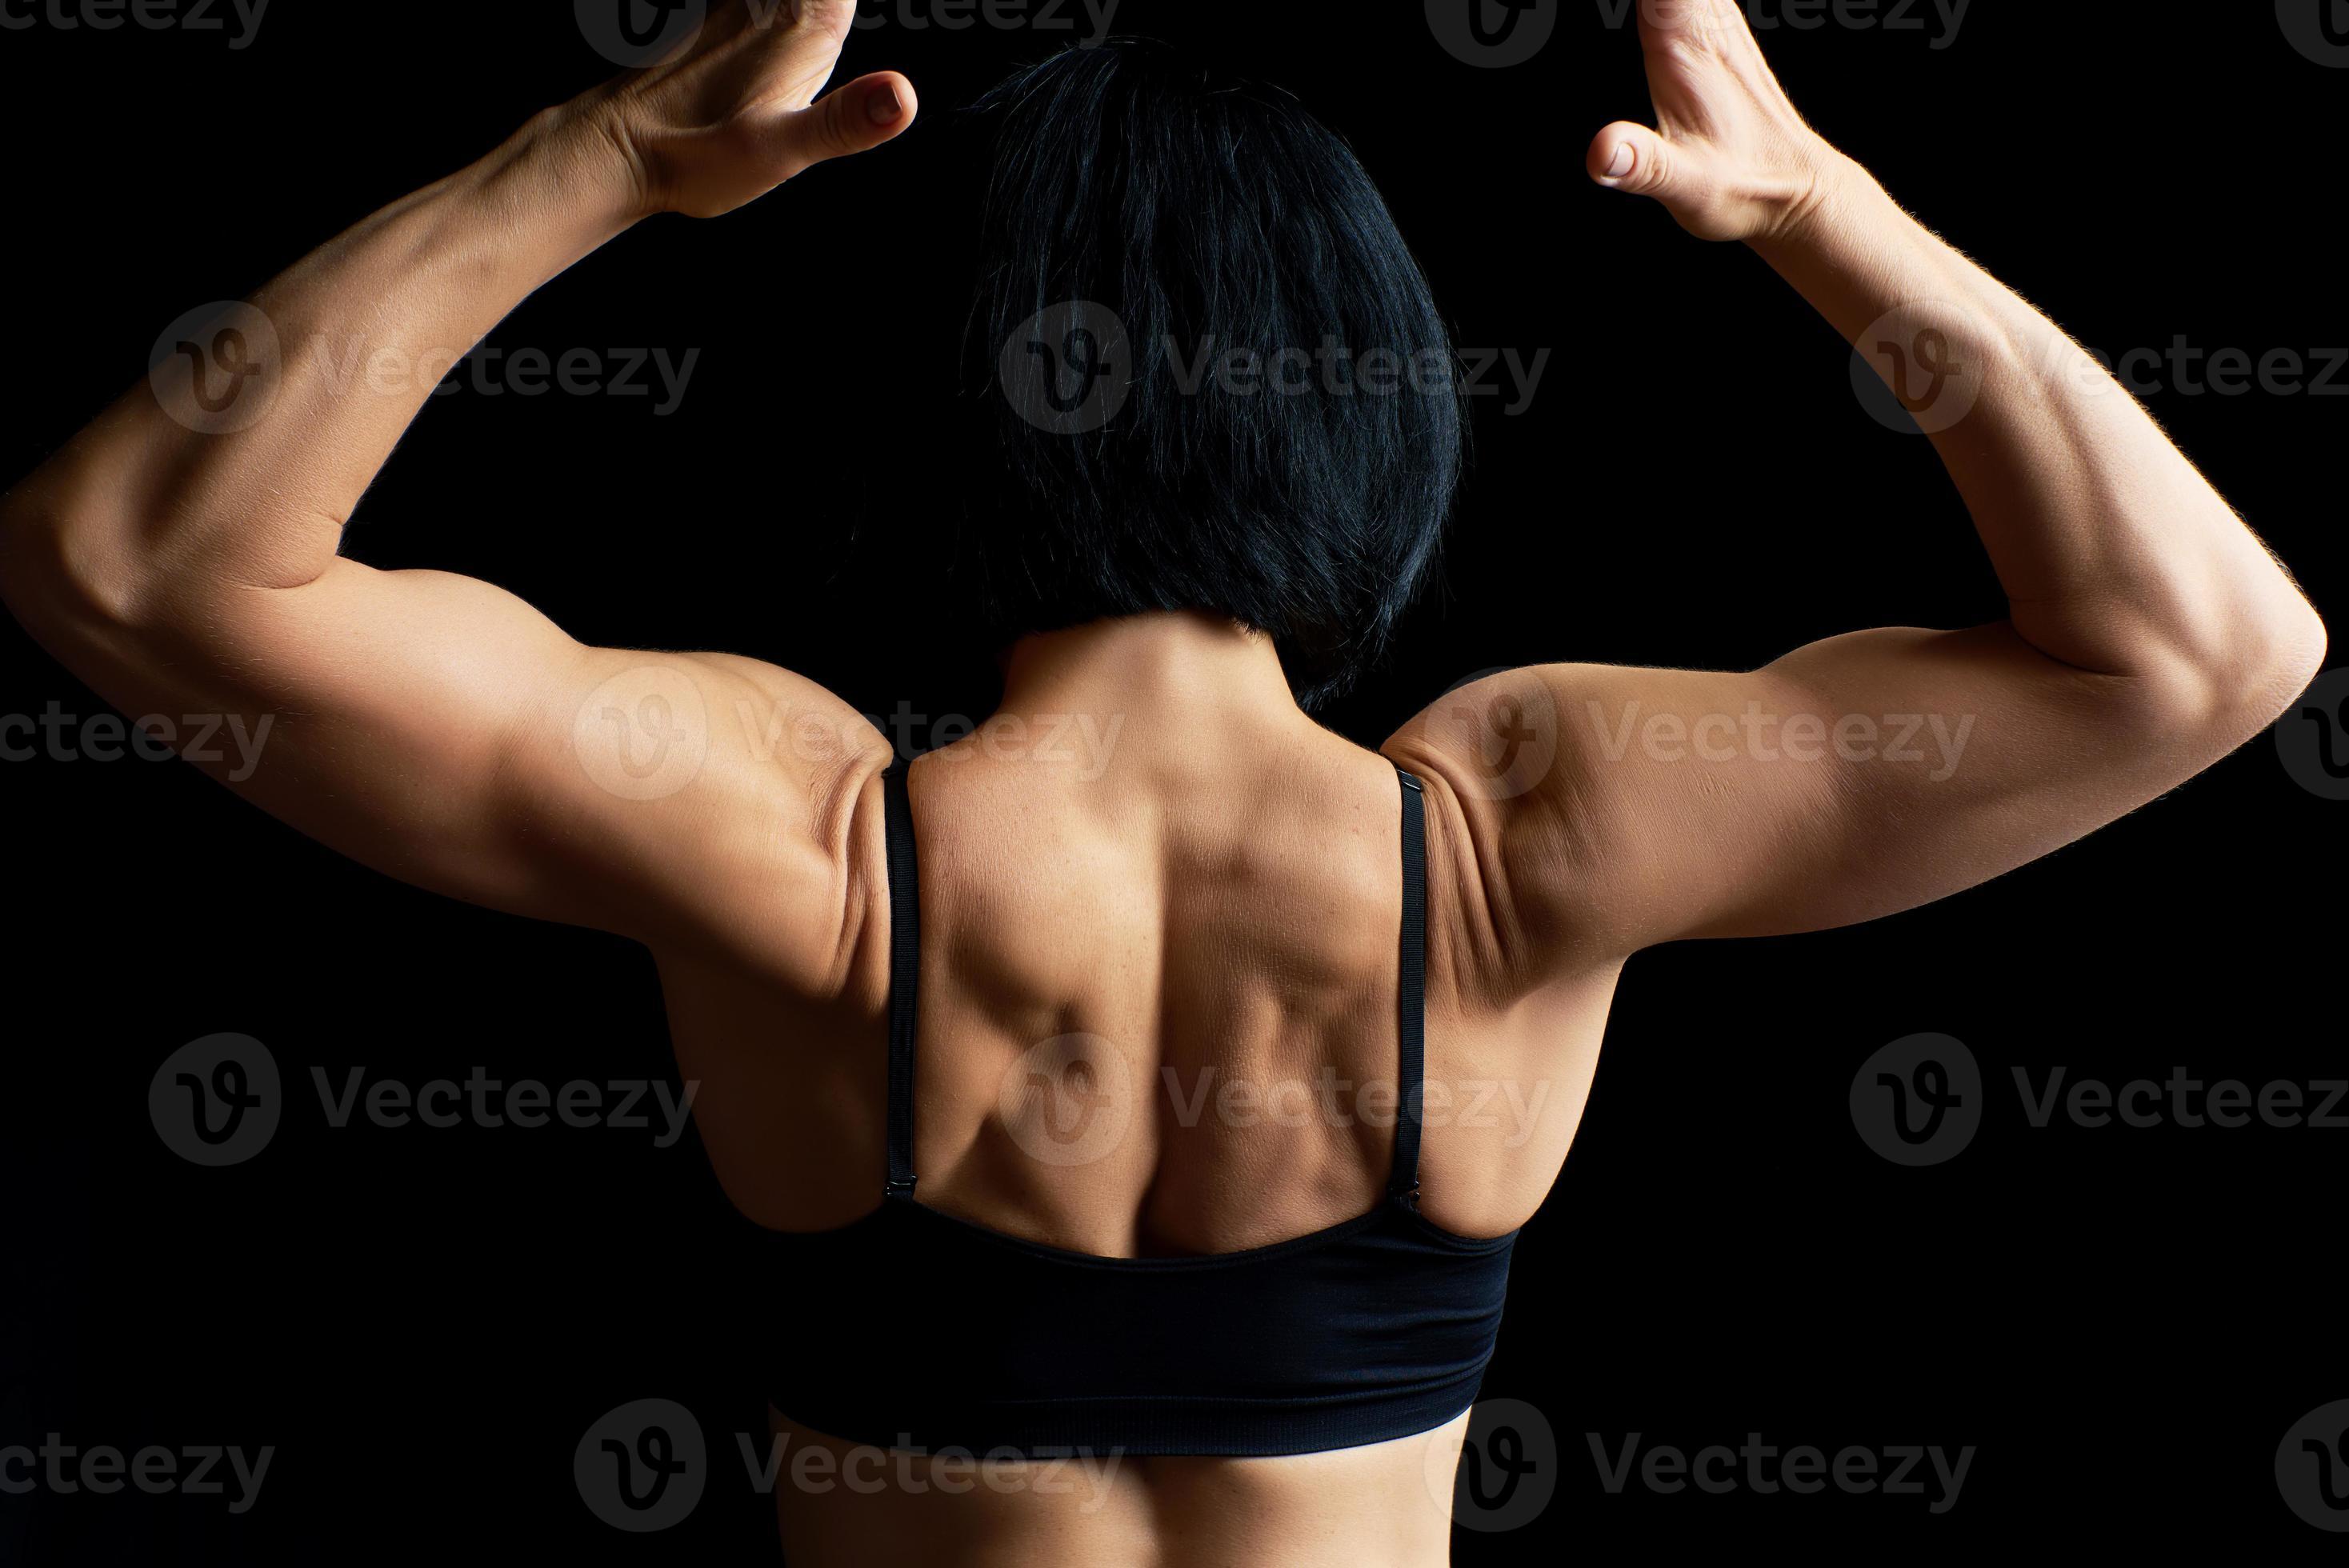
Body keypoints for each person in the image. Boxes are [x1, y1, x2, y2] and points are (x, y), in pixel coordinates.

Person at [0, 3, 2323, 1562]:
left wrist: (594, 158)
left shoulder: (810, 849)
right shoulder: (1514, 840)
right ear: (1371, 402)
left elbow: (136, 561)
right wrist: (1829, 213)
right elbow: (2208, 650)